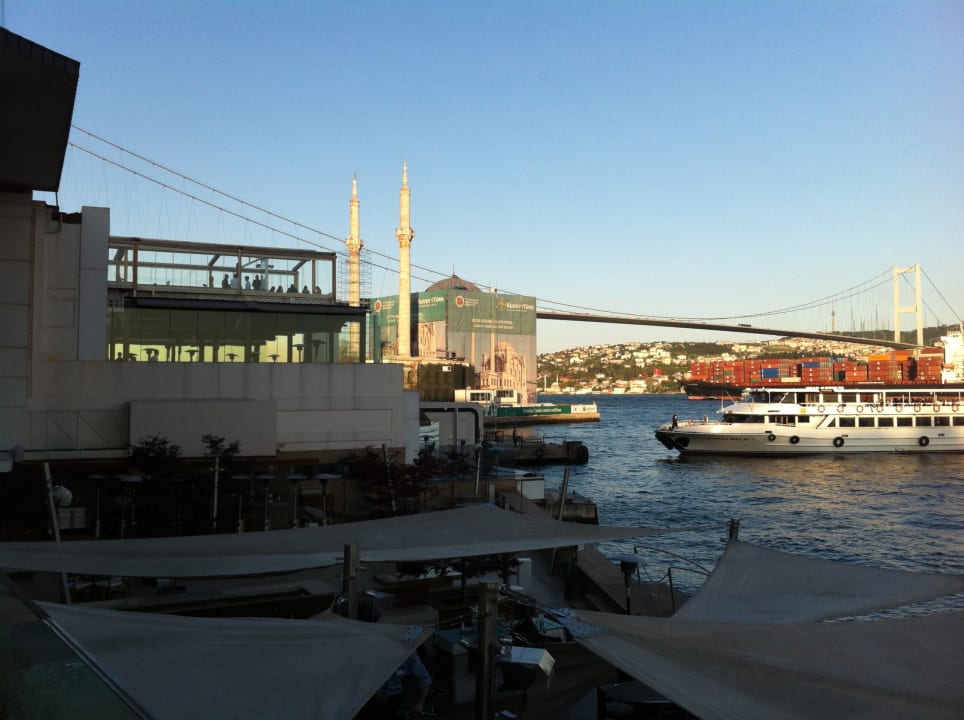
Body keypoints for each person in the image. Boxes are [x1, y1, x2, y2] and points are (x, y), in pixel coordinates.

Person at [362, 651, 432, 717]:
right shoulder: (374, 651)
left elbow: (424, 678)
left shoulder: (409, 652)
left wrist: (420, 704)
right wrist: (375, 692)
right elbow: (362, 674)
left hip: (393, 698)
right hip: (368, 696)